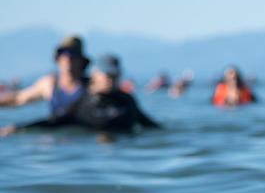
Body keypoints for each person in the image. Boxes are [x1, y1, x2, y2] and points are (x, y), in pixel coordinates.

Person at [2, 54, 161, 135]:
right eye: (106, 74)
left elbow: (149, 125)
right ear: (95, 75)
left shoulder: (127, 100)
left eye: (114, 75)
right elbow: (53, 122)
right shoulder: (84, 103)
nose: (110, 79)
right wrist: (19, 129)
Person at [0, 35, 89, 118]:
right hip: (57, 131)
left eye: (72, 53)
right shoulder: (49, 84)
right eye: (63, 53)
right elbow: (18, 99)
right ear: (58, 58)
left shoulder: (91, 86)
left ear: (81, 60)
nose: (67, 58)